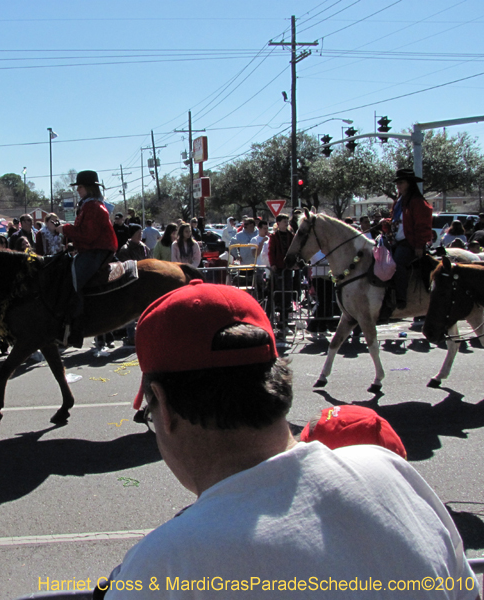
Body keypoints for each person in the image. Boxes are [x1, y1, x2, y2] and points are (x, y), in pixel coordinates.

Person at [98, 281, 478, 599]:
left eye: (147, 413)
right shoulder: (392, 471)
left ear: (163, 407)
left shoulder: (161, 568)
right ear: (277, 380)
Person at [61, 170, 118, 348]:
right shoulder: (90, 205)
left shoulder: (92, 206)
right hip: (93, 249)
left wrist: (64, 229)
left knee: (72, 282)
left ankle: (76, 328)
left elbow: (88, 235)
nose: (78, 190)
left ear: (89, 188)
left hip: (96, 251)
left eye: (80, 187)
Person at [391, 168, 432, 309]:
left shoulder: (417, 202)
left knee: (397, 264)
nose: (398, 186)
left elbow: (423, 225)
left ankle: (401, 298)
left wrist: (419, 245)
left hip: (410, 243)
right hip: (396, 241)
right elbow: (395, 220)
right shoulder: (399, 201)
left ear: (409, 183)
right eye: (397, 183)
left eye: (401, 182)